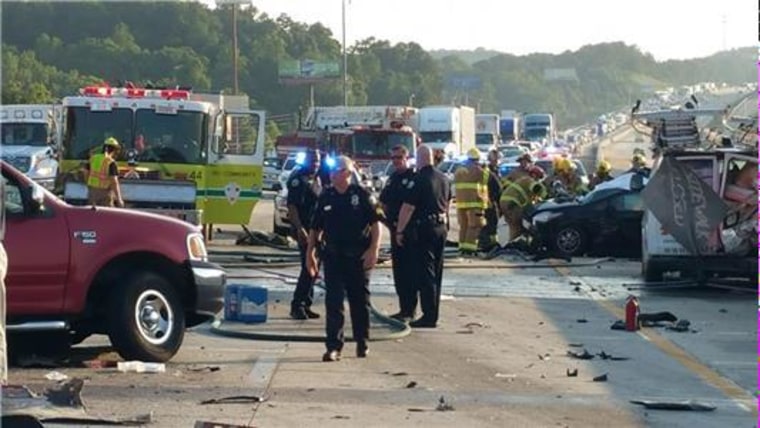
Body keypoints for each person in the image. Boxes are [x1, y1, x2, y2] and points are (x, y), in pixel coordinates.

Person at [306, 156, 381, 362]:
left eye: (337, 170)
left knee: (359, 301)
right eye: (331, 171)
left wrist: (374, 250)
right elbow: (315, 228)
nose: (332, 174)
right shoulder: (326, 196)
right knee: (334, 302)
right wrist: (310, 254)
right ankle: (334, 346)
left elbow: (376, 225)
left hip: (358, 257)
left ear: (347, 173)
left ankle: (362, 341)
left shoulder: (362, 194)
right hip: (333, 256)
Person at [395, 144, 451, 328]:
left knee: (426, 273)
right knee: (437, 271)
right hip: (441, 227)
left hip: (424, 229)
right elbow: (448, 203)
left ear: (419, 159)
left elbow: (408, 207)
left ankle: (429, 316)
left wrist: (400, 230)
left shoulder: (418, 179)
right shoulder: (444, 178)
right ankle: (433, 312)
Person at [378, 145, 416, 323]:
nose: (396, 161)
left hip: (409, 230)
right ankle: (404, 309)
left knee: (410, 271)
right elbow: (383, 201)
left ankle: (410, 309)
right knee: (399, 272)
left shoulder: (413, 178)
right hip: (394, 229)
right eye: (393, 158)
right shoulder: (392, 179)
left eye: (399, 158)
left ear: (407, 158)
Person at [287, 148, 323, 320]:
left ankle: (306, 303)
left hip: (318, 231)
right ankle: (297, 305)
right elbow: (292, 207)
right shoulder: (298, 180)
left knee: (314, 269)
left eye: (317, 160)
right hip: (305, 230)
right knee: (308, 268)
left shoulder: (316, 178)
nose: (315, 164)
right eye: (312, 161)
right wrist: (300, 228)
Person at [453, 148, 489, 256]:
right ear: (477, 159)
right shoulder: (479, 170)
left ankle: (462, 247)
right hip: (475, 202)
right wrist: (486, 168)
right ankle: (470, 249)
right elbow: (485, 180)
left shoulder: (459, 170)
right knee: (475, 225)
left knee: (464, 226)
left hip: (461, 203)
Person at [86, 137, 125, 207]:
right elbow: (114, 182)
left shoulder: (93, 158)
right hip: (105, 194)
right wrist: (119, 199)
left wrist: (88, 183)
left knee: (92, 215)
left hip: (92, 192)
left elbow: (85, 172)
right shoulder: (111, 162)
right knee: (107, 215)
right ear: (114, 150)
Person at [478, 148, 502, 252]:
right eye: (495, 159)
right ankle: (490, 244)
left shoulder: (494, 170)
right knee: (492, 222)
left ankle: (486, 242)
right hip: (490, 201)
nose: (497, 161)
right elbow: (497, 187)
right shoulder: (489, 171)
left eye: (497, 159)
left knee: (488, 223)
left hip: (487, 201)